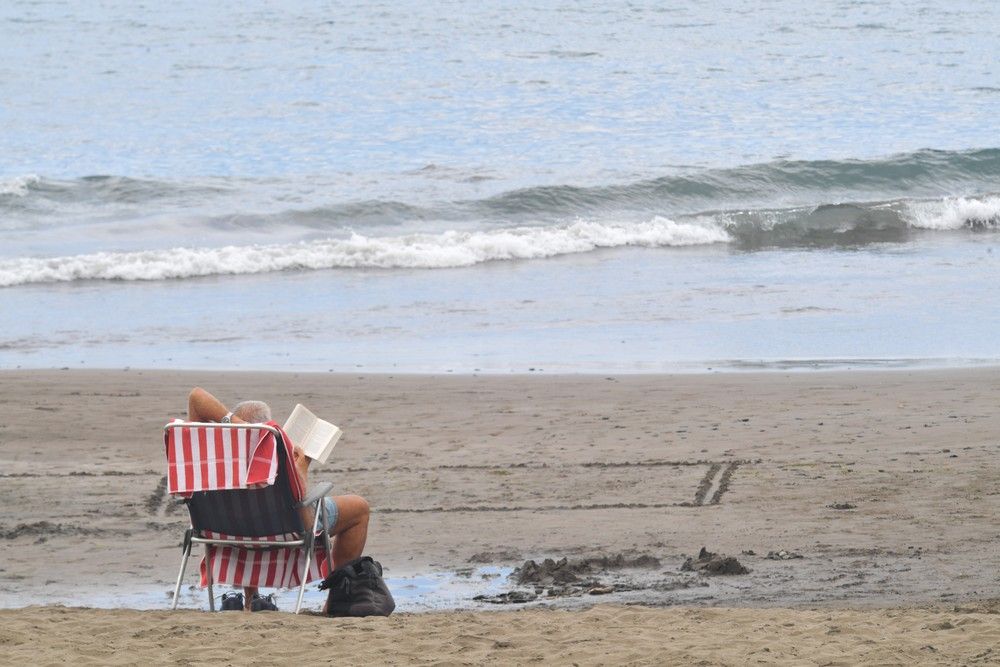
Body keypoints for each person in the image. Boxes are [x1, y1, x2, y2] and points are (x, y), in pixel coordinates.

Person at [187, 387, 370, 611]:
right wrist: (302, 467)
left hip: (222, 528)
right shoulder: (274, 451)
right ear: (267, 424)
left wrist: (235, 424)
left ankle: (250, 600)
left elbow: (196, 396)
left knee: (249, 509)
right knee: (359, 508)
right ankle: (333, 602)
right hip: (285, 526)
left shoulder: (211, 453)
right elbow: (299, 503)